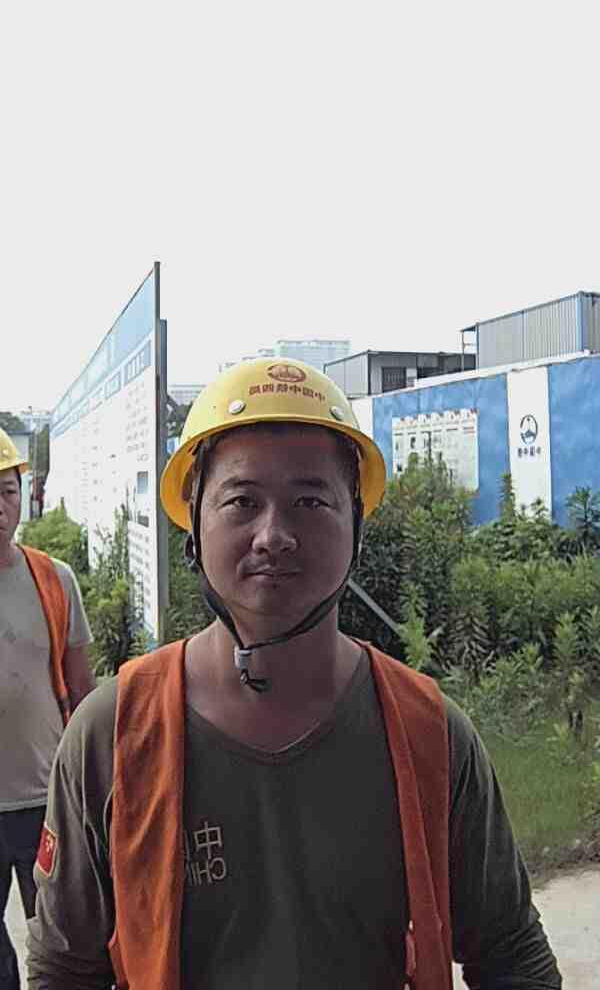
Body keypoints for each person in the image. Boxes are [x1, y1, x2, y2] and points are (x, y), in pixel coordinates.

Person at [27, 360, 561, 989]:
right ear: (194, 523)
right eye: (242, 501)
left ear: (356, 525)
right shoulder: (113, 735)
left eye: (310, 501)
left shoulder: (430, 733)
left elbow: (512, 956)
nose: (274, 535)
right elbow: (65, 969)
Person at [0, 428, 95, 990]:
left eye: (7, 490)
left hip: (47, 799)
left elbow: (83, 691)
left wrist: (92, 787)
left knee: (60, 939)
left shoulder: (54, 579)